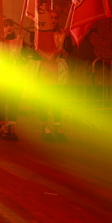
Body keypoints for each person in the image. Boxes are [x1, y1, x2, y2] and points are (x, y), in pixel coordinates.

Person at [37, 10, 69, 141]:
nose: (54, 20)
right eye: (51, 17)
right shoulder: (41, 33)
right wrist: (51, 56)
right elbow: (37, 49)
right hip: (46, 69)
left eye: (56, 17)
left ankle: (58, 126)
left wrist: (63, 50)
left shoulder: (62, 33)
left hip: (59, 69)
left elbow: (67, 51)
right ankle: (46, 127)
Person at [0, 18, 25, 140]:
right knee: (1, 103)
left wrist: (20, 59)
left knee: (14, 103)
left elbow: (25, 59)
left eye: (11, 25)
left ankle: (12, 127)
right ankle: (3, 128)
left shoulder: (19, 41)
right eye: (6, 25)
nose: (9, 28)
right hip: (1, 76)